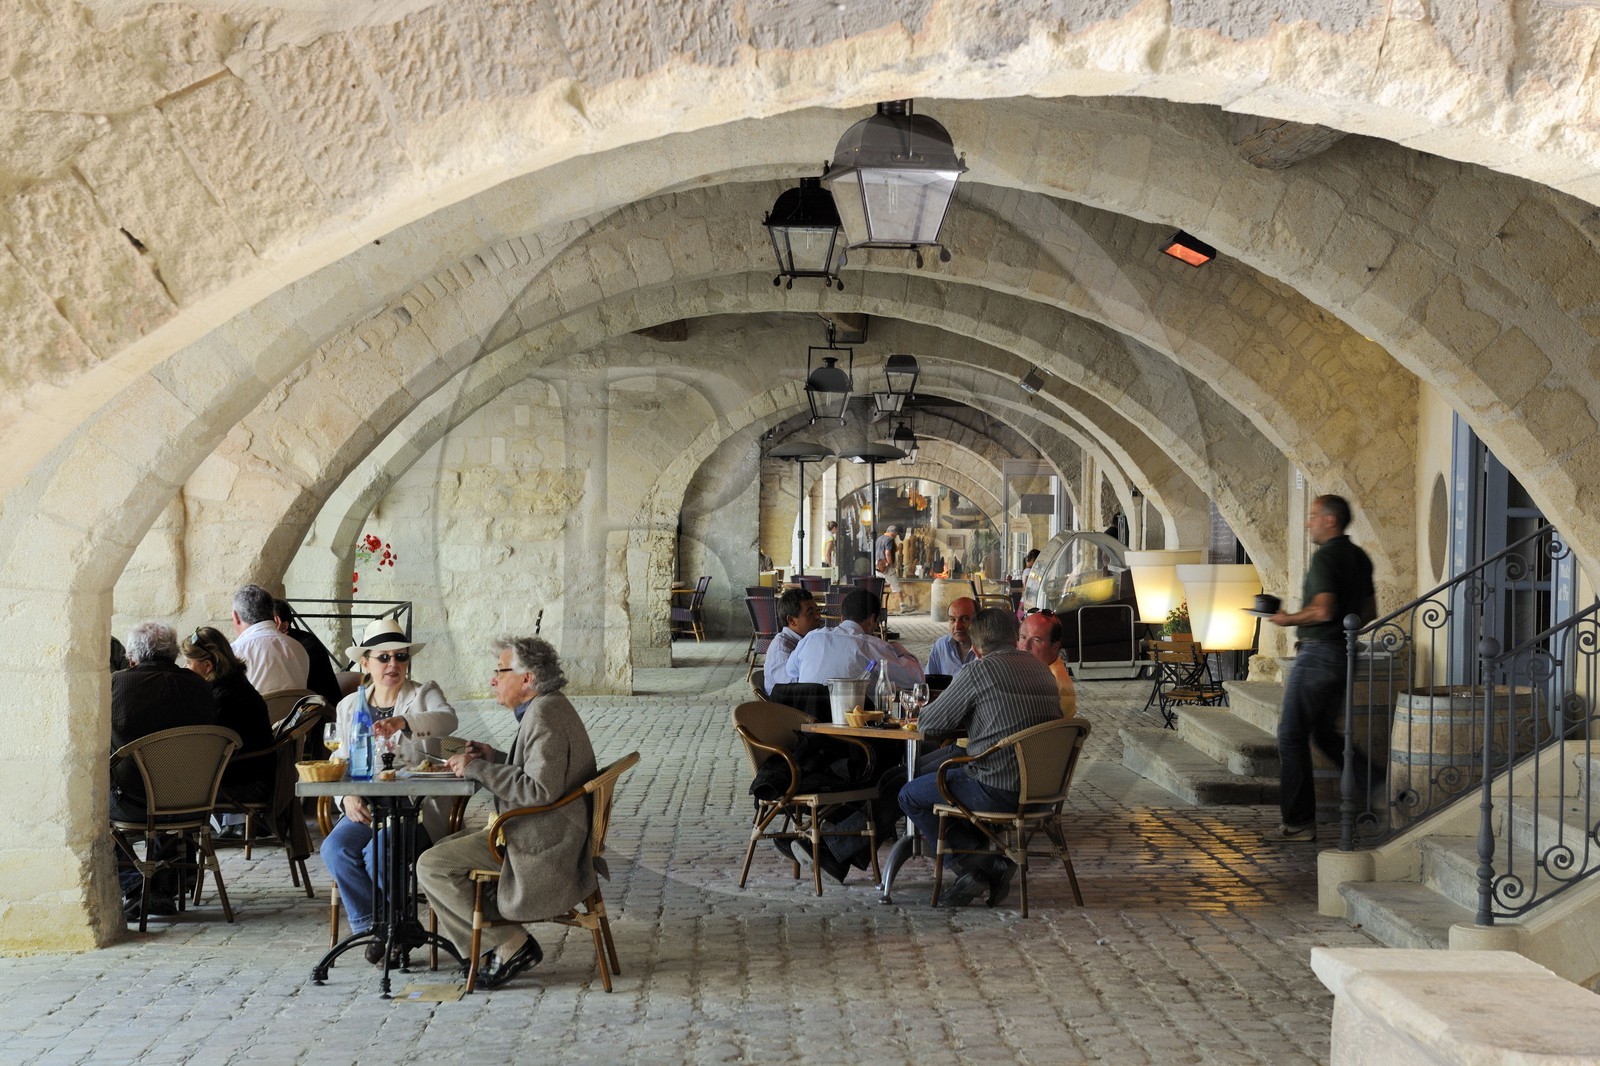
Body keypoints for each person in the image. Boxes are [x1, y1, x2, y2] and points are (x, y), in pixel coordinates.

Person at [417, 637, 598, 990]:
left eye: (500, 671)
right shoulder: (548, 707)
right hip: (548, 829)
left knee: (432, 865)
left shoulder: (544, 714)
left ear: (527, 679)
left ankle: (507, 944)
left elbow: (539, 790)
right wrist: (493, 757)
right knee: (449, 847)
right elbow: (540, 774)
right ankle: (493, 946)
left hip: (544, 841)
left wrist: (475, 768)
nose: (492, 680)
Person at [899, 608, 1063, 907]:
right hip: (1044, 791)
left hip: (997, 789)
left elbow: (929, 724)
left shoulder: (978, 670)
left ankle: (975, 868)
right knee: (938, 773)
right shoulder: (1042, 670)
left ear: (975, 649)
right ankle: (986, 863)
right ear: (1015, 638)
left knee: (909, 793)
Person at [324, 616, 458, 964]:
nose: (393, 664)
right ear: (365, 662)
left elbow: (447, 720)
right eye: (383, 657)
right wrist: (346, 796)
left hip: (415, 809)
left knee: (379, 853)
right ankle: (381, 927)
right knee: (334, 849)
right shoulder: (349, 707)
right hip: (367, 807)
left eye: (400, 656)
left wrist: (404, 722)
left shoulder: (422, 693)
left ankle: (391, 931)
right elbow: (339, 762)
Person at [1267, 493, 1381, 843]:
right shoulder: (1359, 557)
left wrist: (1287, 619)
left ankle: (1298, 822)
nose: (1308, 522)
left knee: (1291, 735)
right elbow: (1370, 613)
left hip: (1317, 653)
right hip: (1344, 653)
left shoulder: (1326, 558)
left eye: (1313, 515)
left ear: (1330, 520)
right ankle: (1380, 786)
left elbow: (1322, 610)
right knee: (1325, 734)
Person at [110, 621, 217, 916]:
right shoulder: (199, 686)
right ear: (172, 655)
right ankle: (165, 886)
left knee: (93, 807)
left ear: (132, 658)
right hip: (194, 800)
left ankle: (137, 886)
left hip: (135, 802)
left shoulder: (116, 685)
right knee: (169, 782)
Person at [180, 626, 275, 803]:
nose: (185, 668)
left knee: (171, 787)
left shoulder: (222, 698)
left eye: (188, 663)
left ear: (208, 666)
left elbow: (208, 750)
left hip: (246, 784)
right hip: (257, 774)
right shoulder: (235, 684)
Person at [787, 588, 923, 690]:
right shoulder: (872, 646)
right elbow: (916, 679)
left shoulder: (812, 637)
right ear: (872, 620)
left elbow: (791, 670)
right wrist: (899, 649)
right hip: (852, 723)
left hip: (807, 720)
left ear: (841, 618)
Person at [230, 583, 309, 694]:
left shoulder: (234, 652)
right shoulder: (298, 647)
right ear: (272, 613)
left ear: (236, 617)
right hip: (296, 711)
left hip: (256, 711)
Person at [273, 598, 343, 708]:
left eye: (268, 623)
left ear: (284, 626)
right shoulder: (283, 642)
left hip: (322, 712)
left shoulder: (307, 645)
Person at [1018, 610, 1078, 716]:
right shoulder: (1041, 669)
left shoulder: (1049, 683)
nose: (1025, 646)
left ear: (1055, 647)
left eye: (1036, 640)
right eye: (1023, 637)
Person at [763, 587, 822, 694]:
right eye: (810, 613)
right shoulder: (781, 650)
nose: (818, 616)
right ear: (791, 620)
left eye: (817, 610)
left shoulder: (809, 640)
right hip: (786, 708)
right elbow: (798, 688)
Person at [926, 597, 978, 676]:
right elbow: (929, 681)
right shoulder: (941, 645)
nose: (957, 626)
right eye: (953, 619)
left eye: (964, 619)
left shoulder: (987, 649)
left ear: (978, 620)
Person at [875, 524, 910, 614]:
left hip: (877, 566)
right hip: (886, 566)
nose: (896, 536)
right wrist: (891, 564)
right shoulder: (889, 539)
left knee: (879, 587)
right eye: (896, 535)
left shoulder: (879, 538)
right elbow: (887, 553)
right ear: (893, 533)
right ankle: (902, 606)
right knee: (896, 586)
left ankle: (878, 606)